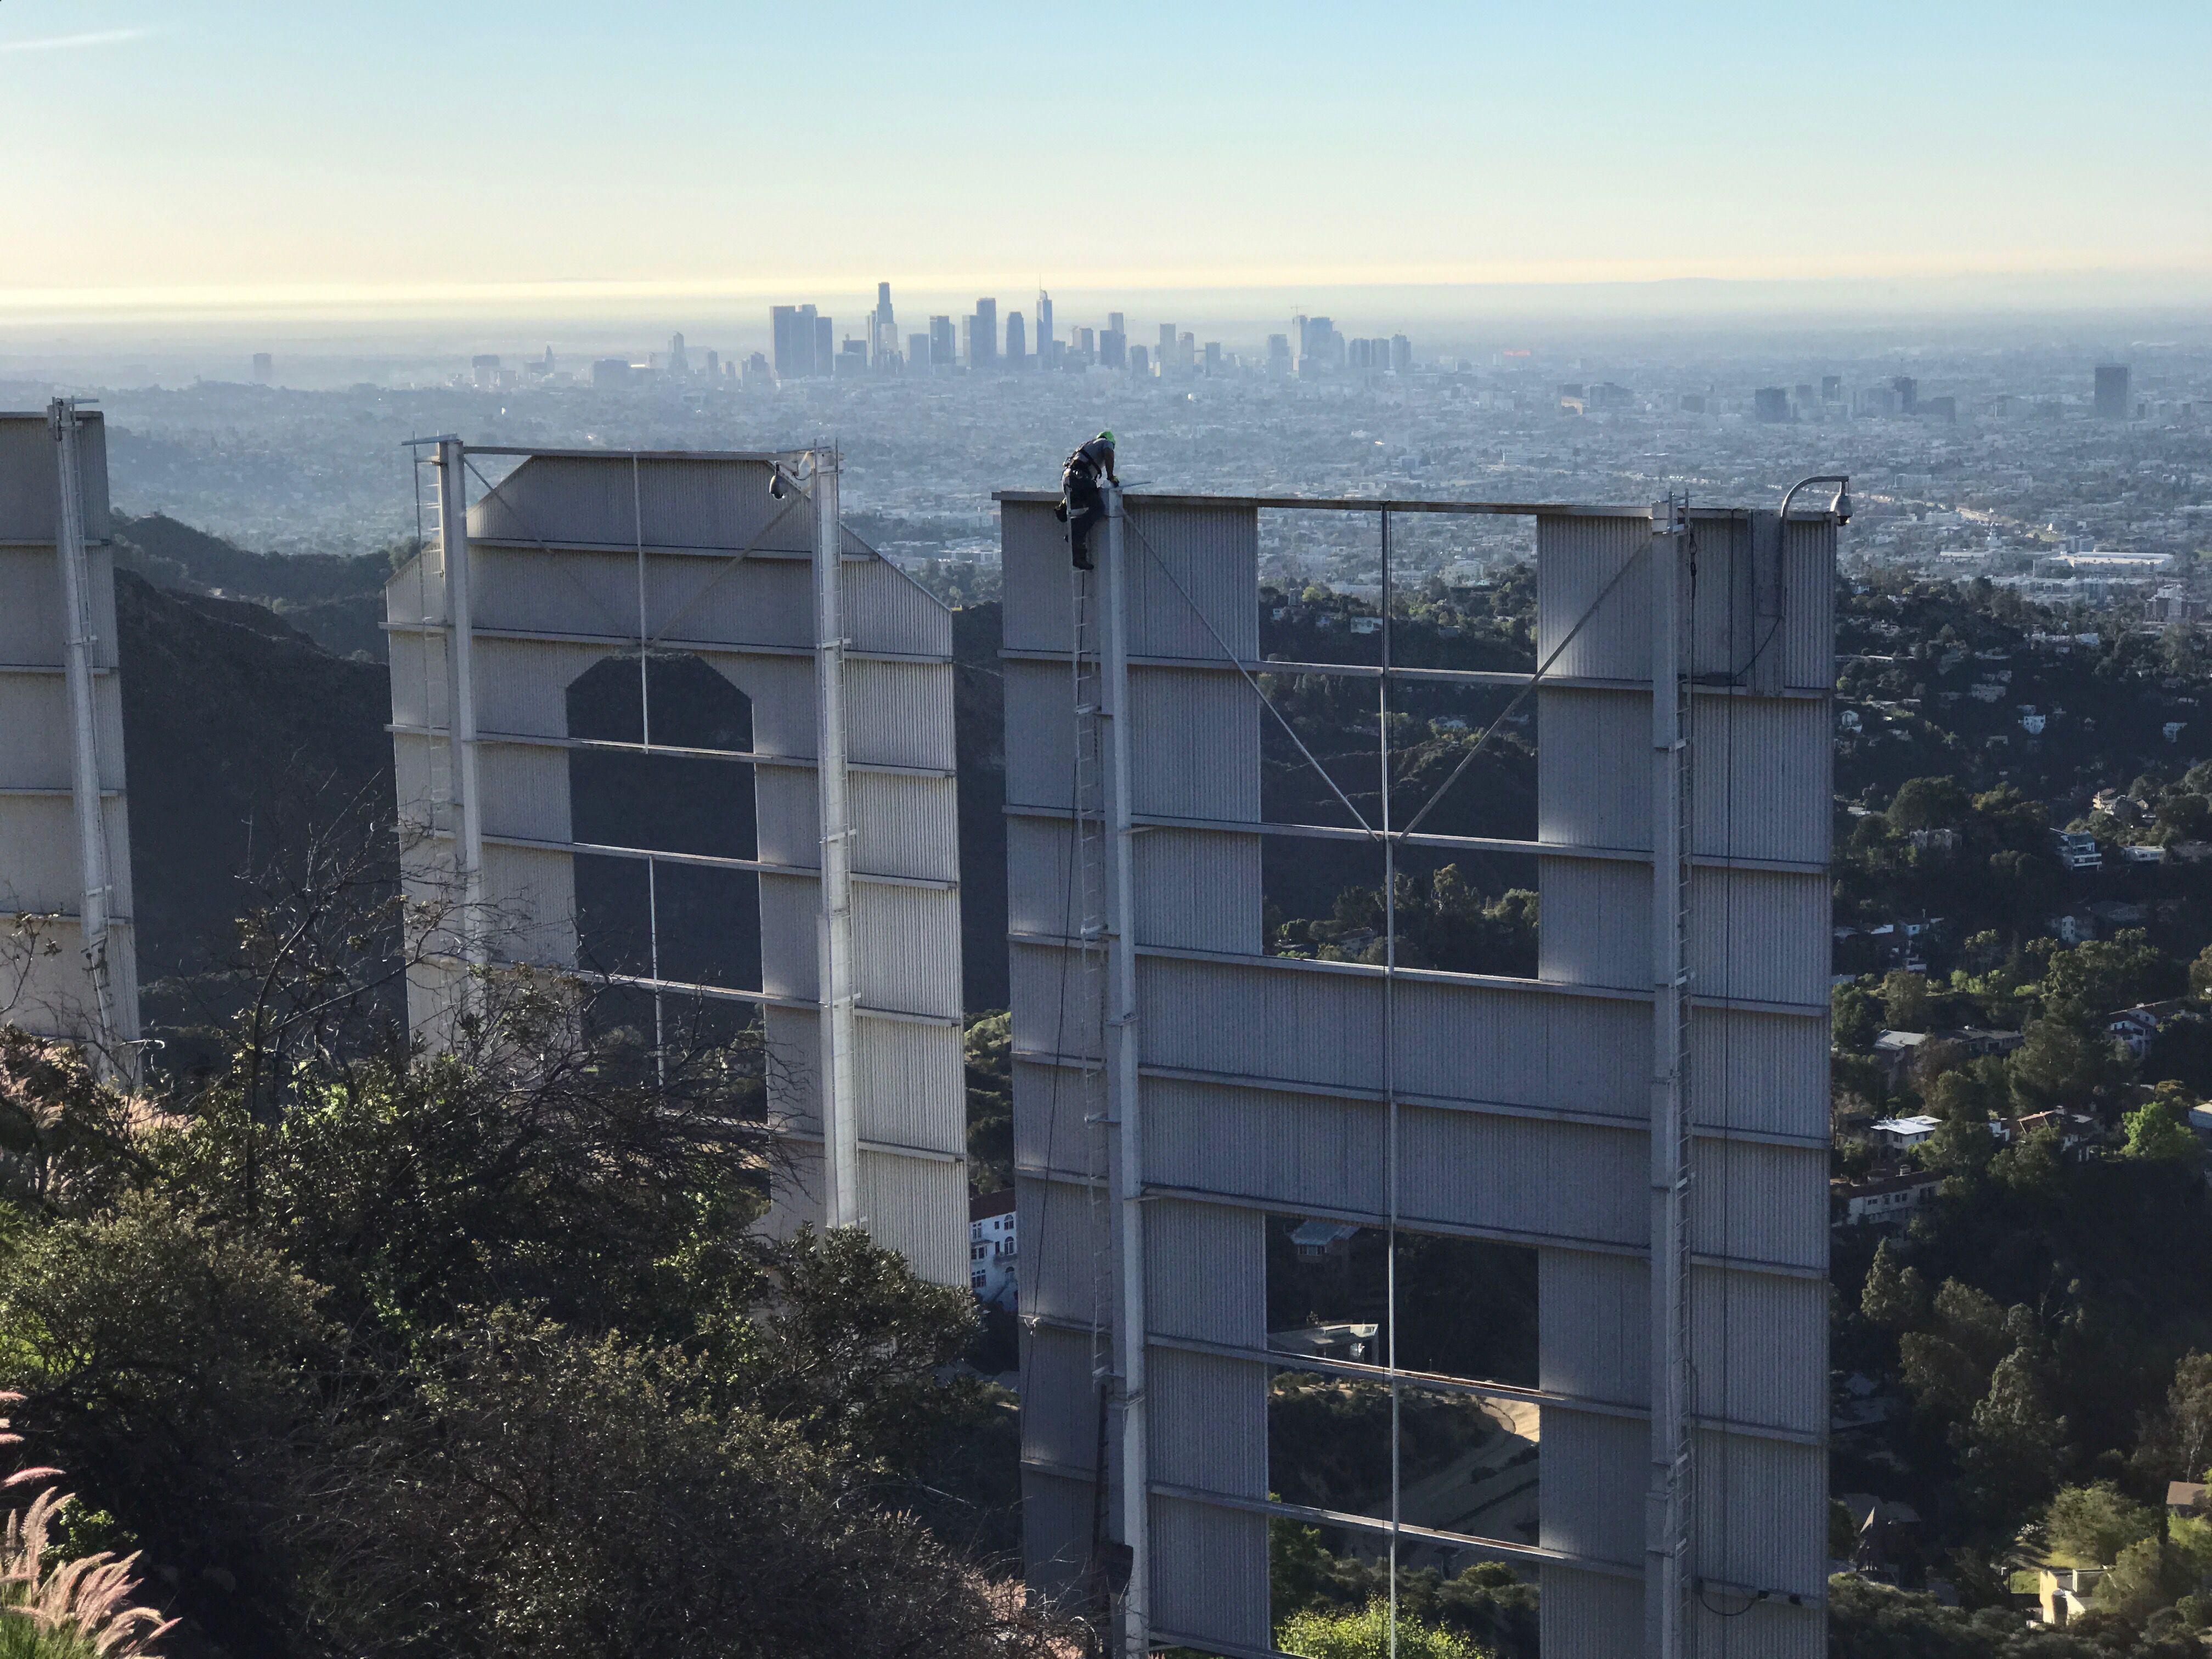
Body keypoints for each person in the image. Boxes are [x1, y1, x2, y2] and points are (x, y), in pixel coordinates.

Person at [1054, 430, 1119, 570]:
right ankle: (1075, 531)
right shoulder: (1106, 443)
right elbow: (1109, 453)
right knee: (1098, 508)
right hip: (1080, 478)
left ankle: (1079, 557)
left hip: (1069, 479)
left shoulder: (1087, 446)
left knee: (1085, 501)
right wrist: (1111, 476)